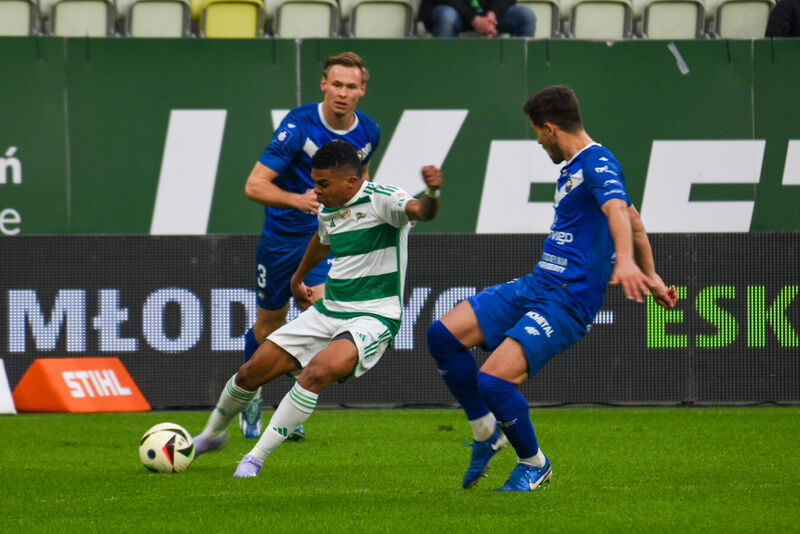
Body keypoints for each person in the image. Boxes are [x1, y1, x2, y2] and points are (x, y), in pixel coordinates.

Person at [427, 85, 678, 492]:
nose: (539, 143)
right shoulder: (576, 167)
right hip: (539, 284)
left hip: (568, 301)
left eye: (537, 134)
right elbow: (634, 219)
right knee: (442, 335)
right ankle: (487, 432)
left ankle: (533, 463)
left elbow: (618, 210)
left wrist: (628, 263)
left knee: (493, 381)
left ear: (549, 128)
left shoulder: (598, 162)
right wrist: (653, 275)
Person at [193, 140, 443, 478]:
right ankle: (211, 436)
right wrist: (297, 279)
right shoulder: (328, 208)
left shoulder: (383, 199)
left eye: (323, 184)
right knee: (251, 372)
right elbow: (323, 241)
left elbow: (422, 211)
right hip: (329, 311)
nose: (316, 191)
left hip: (374, 316)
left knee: (317, 373)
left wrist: (432, 192)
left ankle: (253, 459)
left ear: (351, 181)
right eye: (314, 182)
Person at [238, 51, 381, 441]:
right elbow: (254, 185)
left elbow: (361, 180)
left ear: (362, 90)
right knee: (269, 326)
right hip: (281, 240)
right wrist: (297, 200)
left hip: (325, 239)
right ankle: (250, 394)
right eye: (336, 84)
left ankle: (291, 409)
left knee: (322, 314)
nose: (342, 93)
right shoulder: (299, 125)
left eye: (350, 86)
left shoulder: (369, 131)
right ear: (323, 84)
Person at [419, 0, 536, 38]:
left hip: (488, 15)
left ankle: (519, 74)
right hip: (452, 10)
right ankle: (442, 71)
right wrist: (474, 19)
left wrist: (492, 15)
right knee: (447, 16)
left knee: (526, 16)